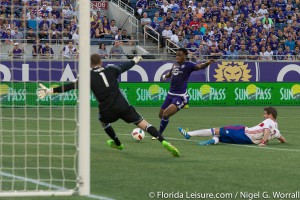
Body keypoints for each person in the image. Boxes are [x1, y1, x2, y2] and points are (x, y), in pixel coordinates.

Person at [37, 54, 179, 157]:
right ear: (101, 61)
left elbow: (71, 86)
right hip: (123, 106)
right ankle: (164, 142)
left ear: (89, 64)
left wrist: (50, 90)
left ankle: (117, 143)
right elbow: (125, 66)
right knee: (144, 124)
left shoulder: (87, 76)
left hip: (107, 109)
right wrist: (135, 60)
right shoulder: (111, 69)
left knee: (102, 120)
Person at [156, 48, 215, 139]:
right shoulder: (175, 64)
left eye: (180, 55)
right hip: (170, 94)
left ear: (185, 56)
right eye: (176, 55)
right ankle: (179, 107)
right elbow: (171, 73)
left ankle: (159, 135)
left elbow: (199, 66)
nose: (177, 57)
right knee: (161, 115)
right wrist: (165, 76)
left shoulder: (188, 65)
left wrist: (207, 63)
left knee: (165, 114)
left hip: (179, 96)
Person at [178, 107, 286, 147]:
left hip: (244, 132)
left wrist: (263, 142)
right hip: (249, 141)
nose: (264, 116)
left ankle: (189, 134)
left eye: (265, 114)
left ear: (270, 115)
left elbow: (266, 131)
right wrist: (281, 141)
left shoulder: (268, 121)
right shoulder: (276, 129)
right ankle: (211, 141)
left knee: (218, 130)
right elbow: (282, 138)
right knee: (221, 137)